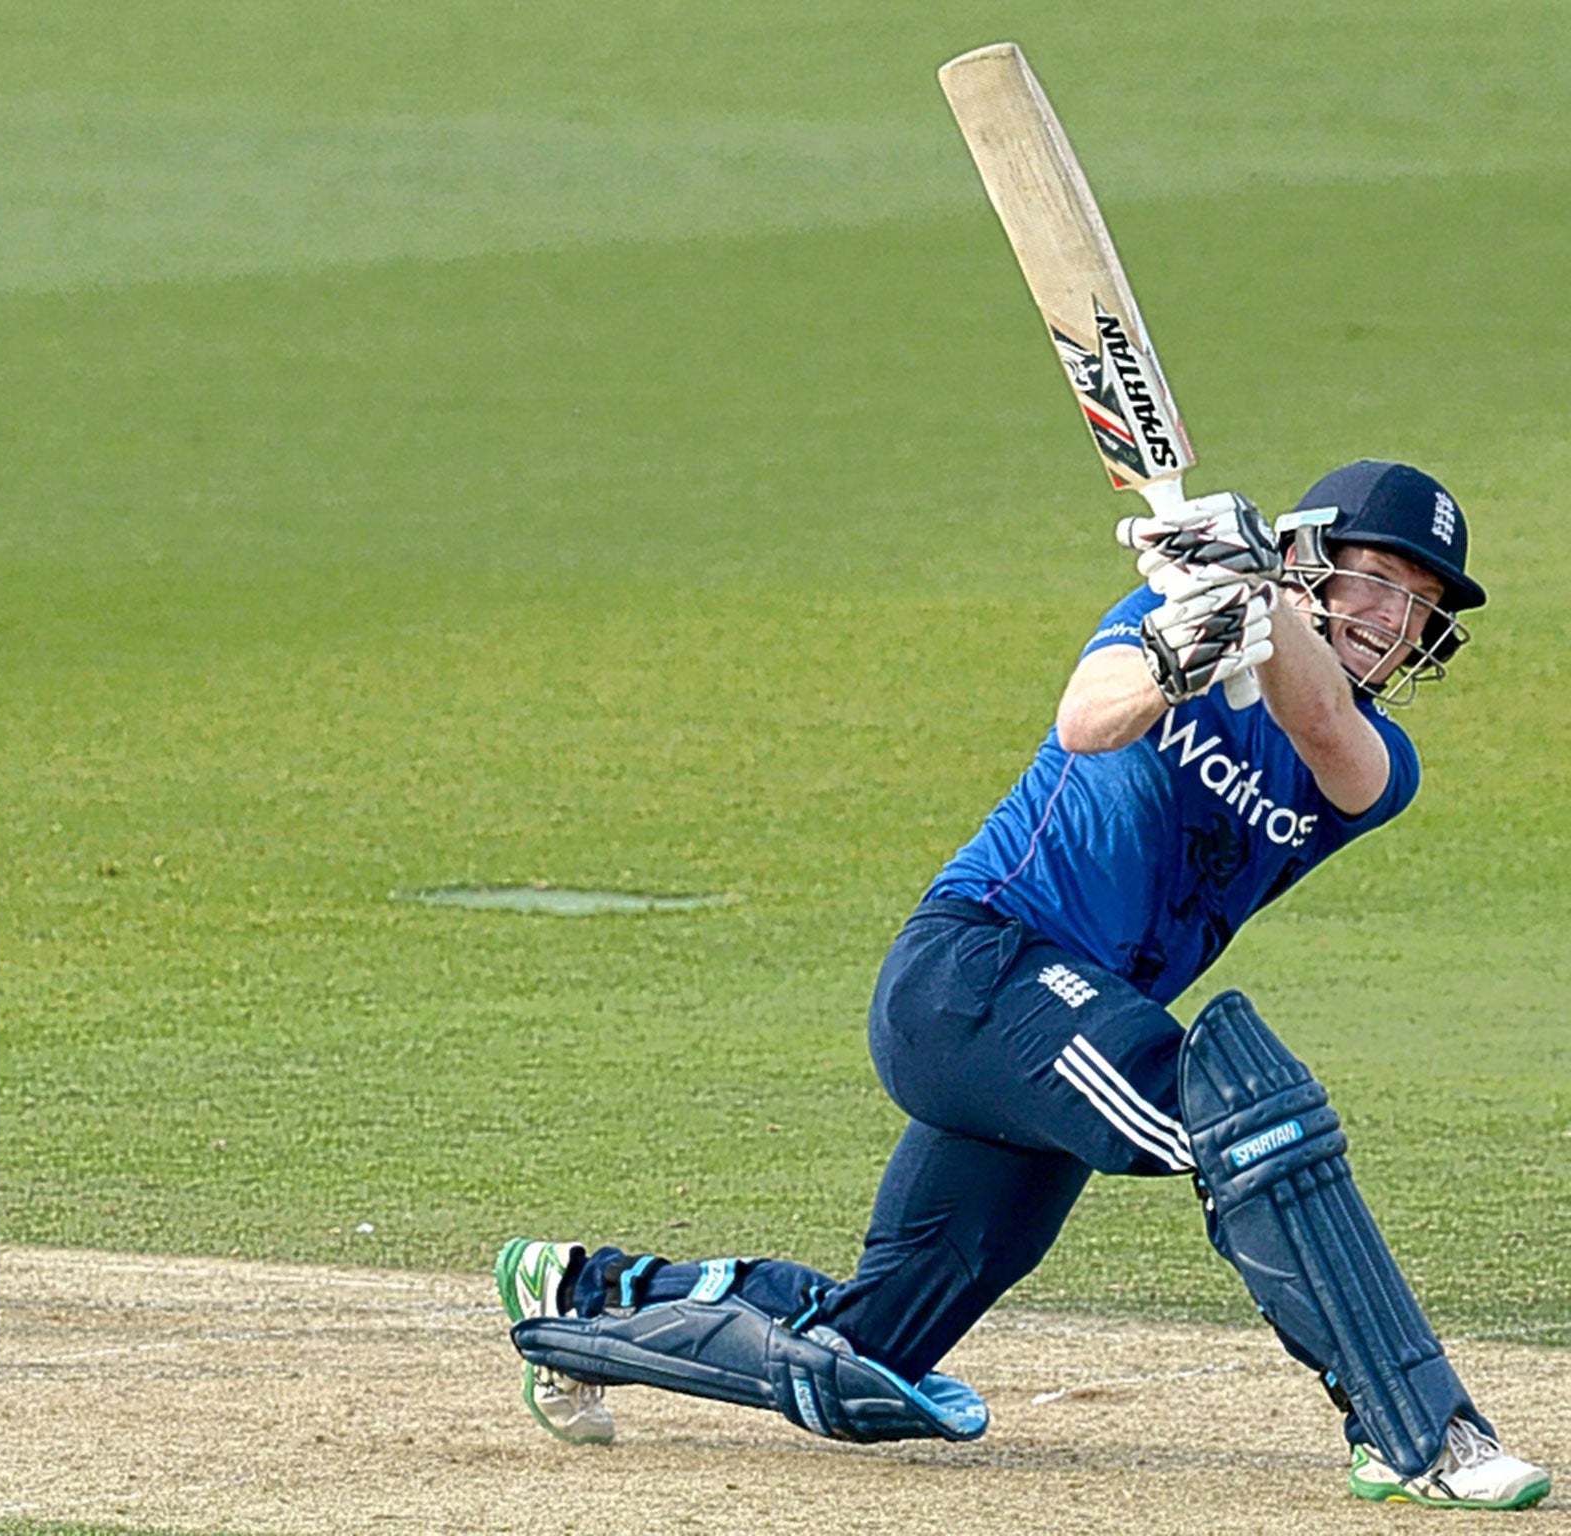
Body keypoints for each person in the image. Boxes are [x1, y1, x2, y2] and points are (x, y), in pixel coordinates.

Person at [496, 462, 1552, 1510]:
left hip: (1057, 1032)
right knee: (1244, 1116)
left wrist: (1257, 605)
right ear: (1307, 559)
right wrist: (1173, 648)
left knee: (864, 1357)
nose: (1395, 619)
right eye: (1376, 581)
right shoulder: (1165, 611)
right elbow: (1088, 720)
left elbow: (1324, 732)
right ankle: (1416, 1432)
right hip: (977, 973)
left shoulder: (1377, 761)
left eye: (1420, 606)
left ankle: (584, 1296)